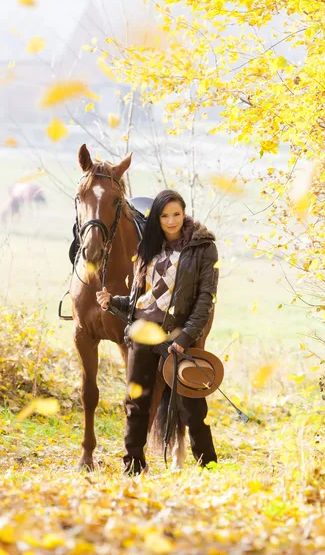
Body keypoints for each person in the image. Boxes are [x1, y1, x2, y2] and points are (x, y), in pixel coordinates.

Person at [96, 189, 219, 475]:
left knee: (193, 406)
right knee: (136, 403)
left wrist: (185, 337)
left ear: (184, 212)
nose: (171, 221)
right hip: (143, 331)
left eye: (176, 214)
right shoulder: (148, 247)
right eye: (164, 216)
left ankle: (209, 468)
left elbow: (205, 300)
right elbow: (142, 300)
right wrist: (113, 302)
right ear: (157, 219)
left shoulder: (203, 247)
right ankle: (133, 466)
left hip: (178, 336)